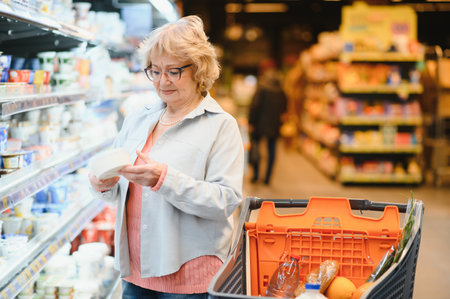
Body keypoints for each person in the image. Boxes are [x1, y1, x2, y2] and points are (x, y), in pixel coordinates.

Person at [88, 15, 244, 299]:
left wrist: (164, 179)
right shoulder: (138, 117)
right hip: (137, 269)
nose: (163, 81)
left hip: (188, 274)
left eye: (173, 71)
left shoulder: (220, 125)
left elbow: (225, 200)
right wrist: (104, 183)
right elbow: (120, 192)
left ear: (198, 69)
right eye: (155, 71)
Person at [248, 60, 287, 185]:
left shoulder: (262, 86)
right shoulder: (280, 88)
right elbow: (285, 105)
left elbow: (255, 105)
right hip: (274, 124)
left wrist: (251, 121)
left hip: (259, 123)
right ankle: (267, 178)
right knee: (272, 150)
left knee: (256, 148)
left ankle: (255, 175)